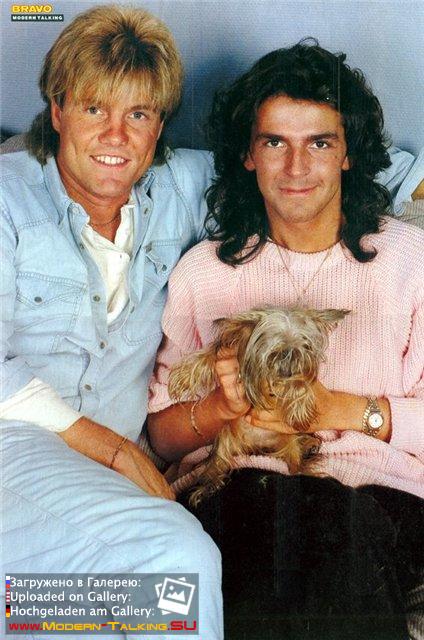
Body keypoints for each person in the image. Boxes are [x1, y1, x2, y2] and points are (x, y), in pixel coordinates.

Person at [148, 41, 424, 639]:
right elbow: (162, 437)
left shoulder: (410, 261)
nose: (297, 167)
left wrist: (340, 410)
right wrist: (219, 408)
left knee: (328, 528)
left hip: (378, 497)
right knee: (267, 523)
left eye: (319, 143)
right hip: (238, 490)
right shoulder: (205, 273)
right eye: (275, 142)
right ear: (248, 155)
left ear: (348, 153)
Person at [0, 6, 223, 639]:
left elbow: (299, 174)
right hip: (14, 450)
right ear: (57, 110)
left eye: (139, 114)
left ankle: (23, 611)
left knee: (110, 610)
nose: (116, 136)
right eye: (95, 108)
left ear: (159, 128)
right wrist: (118, 450)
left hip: (94, 492)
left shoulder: (181, 187)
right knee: (177, 560)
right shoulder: (7, 198)